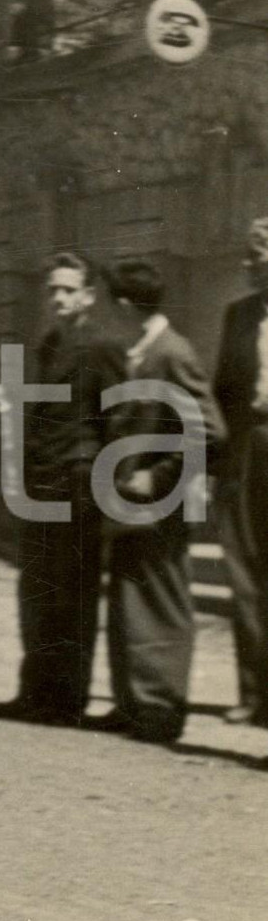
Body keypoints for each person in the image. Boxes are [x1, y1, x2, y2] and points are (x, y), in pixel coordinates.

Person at [0, 251, 126, 726]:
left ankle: (67, 698)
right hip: (41, 481)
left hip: (78, 482)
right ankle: (34, 689)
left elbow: (118, 418)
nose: (58, 298)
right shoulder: (50, 342)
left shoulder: (103, 345)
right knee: (34, 587)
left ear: (89, 296)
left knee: (70, 593)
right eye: (52, 289)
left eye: (69, 290)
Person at [103, 261, 224, 744]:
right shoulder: (137, 350)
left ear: (126, 306)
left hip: (162, 497)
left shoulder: (173, 353)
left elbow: (211, 431)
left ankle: (162, 707)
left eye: (111, 305)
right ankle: (133, 701)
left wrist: (158, 474)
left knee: (162, 597)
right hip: (129, 498)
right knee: (130, 595)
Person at [213, 216, 268, 728]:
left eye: (256, 256)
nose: (248, 265)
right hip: (249, 446)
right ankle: (254, 693)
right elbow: (224, 392)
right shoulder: (239, 316)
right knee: (243, 571)